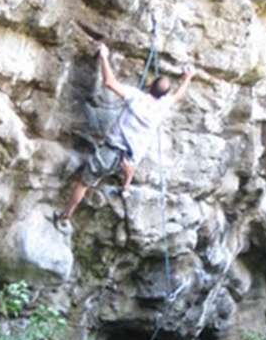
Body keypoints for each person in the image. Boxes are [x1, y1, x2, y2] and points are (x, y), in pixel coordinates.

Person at [55, 43, 194, 227]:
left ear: (150, 84)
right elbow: (178, 95)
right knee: (128, 165)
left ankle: (65, 217)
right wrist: (188, 77)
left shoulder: (136, 97)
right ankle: (126, 185)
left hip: (111, 152)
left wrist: (104, 56)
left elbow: (109, 83)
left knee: (83, 183)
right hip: (129, 159)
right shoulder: (163, 106)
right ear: (164, 95)